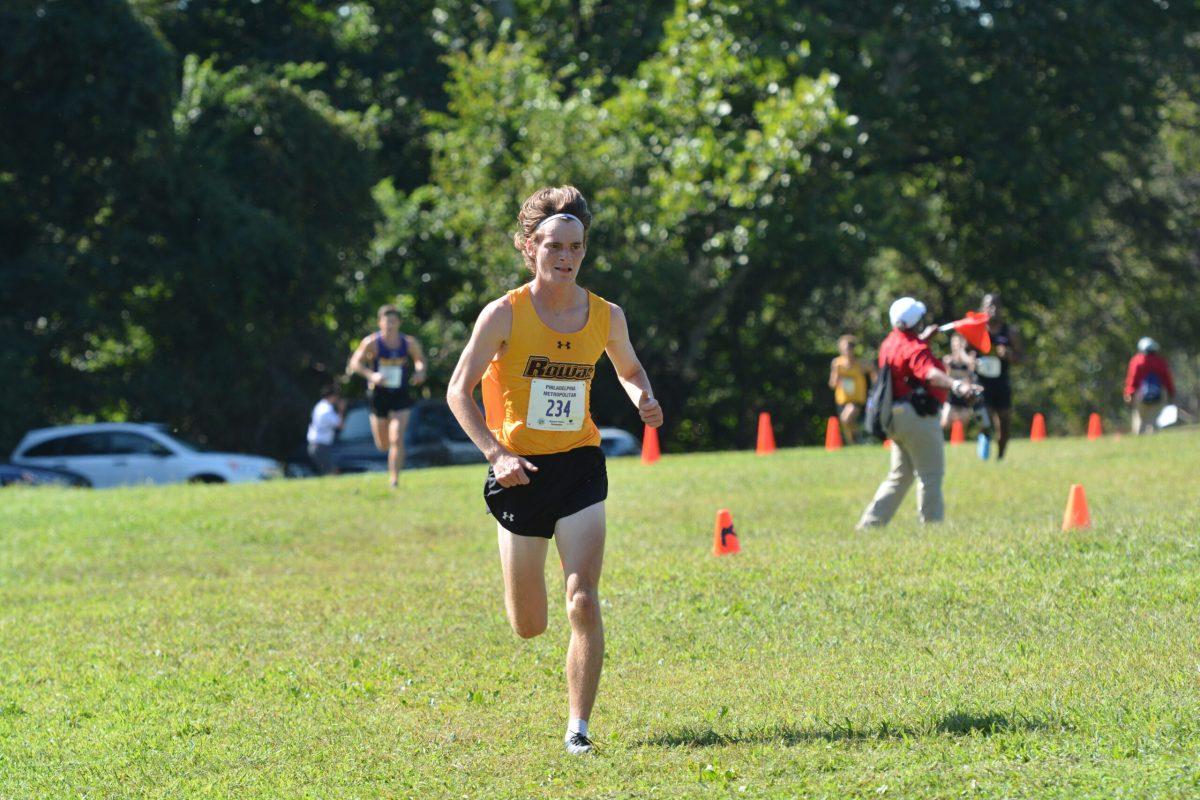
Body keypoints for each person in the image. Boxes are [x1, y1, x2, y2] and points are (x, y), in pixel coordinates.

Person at [446, 185, 663, 755]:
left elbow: (630, 368)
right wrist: (497, 454)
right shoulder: (503, 314)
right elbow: (457, 392)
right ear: (530, 248)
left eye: (576, 246)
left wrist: (643, 396)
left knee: (583, 599)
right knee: (530, 625)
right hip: (520, 473)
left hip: (580, 467)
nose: (566, 257)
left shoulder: (606, 315)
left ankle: (579, 729)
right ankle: (526, 595)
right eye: (554, 246)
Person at [857, 297, 981, 529]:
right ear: (917, 322)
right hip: (916, 417)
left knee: (901, 475)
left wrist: (922, 339)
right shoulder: (916, 348)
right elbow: (929, 373)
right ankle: (932, 527)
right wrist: (957, 385)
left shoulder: (890, 342)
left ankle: (869, 525)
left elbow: (905, 355)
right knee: (931, 474)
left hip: (895, 416)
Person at [347, 305, 427, 487]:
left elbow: (420, 361)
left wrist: (420, 372)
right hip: (379, 395)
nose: (390, 325)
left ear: (399, 323)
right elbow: (355, 363)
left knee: (396, 438)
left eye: (393, 321)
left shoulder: (408, 343)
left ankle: (394, 479)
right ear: (379, 323)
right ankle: (391, 464)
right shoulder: (372, 342)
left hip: (401, 394)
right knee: (383, 445)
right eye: (386, 321)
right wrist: (371, 375)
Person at [973, 293, 1022, 460]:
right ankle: (984, 448)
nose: (992, 309)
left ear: (1001, 309)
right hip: (981, 383)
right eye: (988, 305)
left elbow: (1021, 358)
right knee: (985, 419)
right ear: (982, 308)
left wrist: (1009, 355)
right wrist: (971, 361)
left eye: (995, 305)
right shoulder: (977, 330)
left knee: (1004, 424)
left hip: (1001, 383)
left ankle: (1000, 457)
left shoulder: (1009, 332)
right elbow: (962, 353)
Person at [829, 334, 876, 445]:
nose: (847, 352)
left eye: (849, 349)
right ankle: (854, 442)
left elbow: (873, 369)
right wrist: (837, 373)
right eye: (844, 349)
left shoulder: (860, 363)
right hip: (842, 399)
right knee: (847, 422)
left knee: (846, 418)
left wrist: (876, 385)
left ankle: (856, 441)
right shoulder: (837, 364)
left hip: (857, 399)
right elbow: (832, 384)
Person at [1124, 337, 1175, 435]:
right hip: (1159, 394)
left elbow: (1132, 379)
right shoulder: (1160, 362)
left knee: (1140, 419)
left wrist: (1128, 393)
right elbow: (1167, 379)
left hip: (1140, 394)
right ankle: (1154, 440)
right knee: (1154, 419)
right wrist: (1171, 392)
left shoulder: (1137, 361)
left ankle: (1139, 442)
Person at [940, 332, 980, 434]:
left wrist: (963, 354)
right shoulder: (948, 360)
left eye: (959, 344)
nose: (956, 347)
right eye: (954, 344)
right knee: (944, 423)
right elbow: (945, 377)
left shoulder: (969, 360)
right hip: (952, 396)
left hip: (965, 397)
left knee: (963, 425)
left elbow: (972, 368)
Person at [306, 384, 344, 475]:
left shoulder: (320, 406)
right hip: (320, 446)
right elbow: (340, 425)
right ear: (332, 396)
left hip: (317, 445)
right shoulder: (326, 409)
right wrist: (341, 410)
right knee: (332, 472)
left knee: (327, 472)